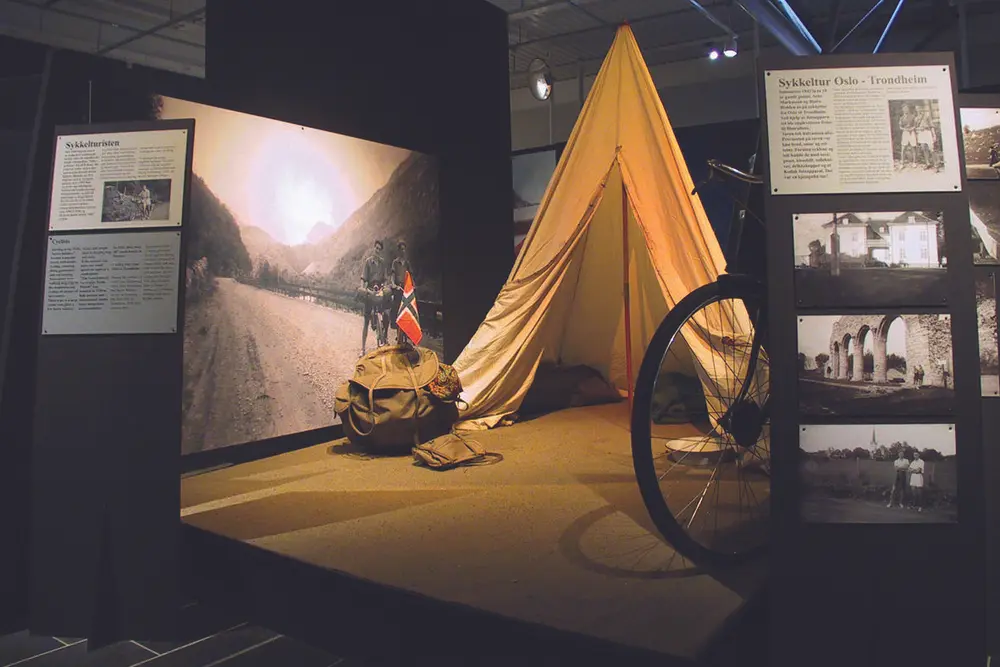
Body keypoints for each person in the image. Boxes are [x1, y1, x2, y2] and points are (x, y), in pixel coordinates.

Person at [360, 240, 387, 354]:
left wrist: (384, 287)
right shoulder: (368, 262)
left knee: (385, 314)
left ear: (381, 251)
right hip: (370, 290)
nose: (377, 250)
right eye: (376, 248)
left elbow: (385, 278)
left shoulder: (382, 263)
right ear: (373, 248)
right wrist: (362, 288)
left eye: (379, 249)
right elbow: (363, 278)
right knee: (366, 320)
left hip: (379, 289)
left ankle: (383, 340)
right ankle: (363, 348)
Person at [389, 240, 413, 344]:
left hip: (406, 290)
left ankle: (407, 334)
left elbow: (410, 276)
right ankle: (398, 334)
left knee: (408, 311)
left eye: (404, 249)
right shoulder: (395, 262)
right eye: (401, 249)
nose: (403, 251)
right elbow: (392, 276)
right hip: (398, 289)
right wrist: (394, 285)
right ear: (398, 250)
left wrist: (413, 286)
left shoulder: (407, 263)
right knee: (397, 310)